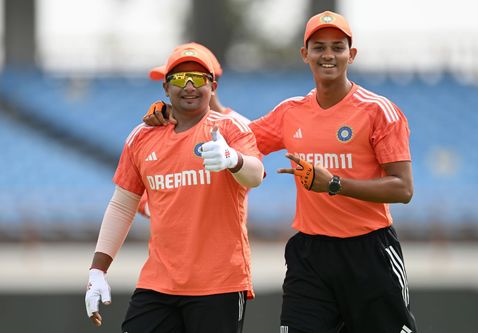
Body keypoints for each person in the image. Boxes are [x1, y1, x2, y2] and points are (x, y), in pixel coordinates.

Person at [143, 11, 417, 333]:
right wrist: (174, 113)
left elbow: (403, 189)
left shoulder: (378, 111)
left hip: (369, 252)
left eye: (337, 47)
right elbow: (237, 137)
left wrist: (334, 185)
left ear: (351, 55)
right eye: (318, 47)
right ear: (305, 55)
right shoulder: (291, 111)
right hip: (310, 255)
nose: (328, 55)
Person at [85, 44, 264, 333]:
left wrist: (233, 159)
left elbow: (255, 175)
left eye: (198, 78)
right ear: (166, 88)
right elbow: (122, 204)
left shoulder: (231, 128)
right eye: (180, 79)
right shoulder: (141, 137)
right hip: (158, 284)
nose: (190, 85)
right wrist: (97, 270)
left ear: (213, 86)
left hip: (219, 284)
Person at [138, 42, 250, 218]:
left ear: (212, 84)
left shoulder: (239, 127)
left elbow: (251, 176)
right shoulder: (167, 123)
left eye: (192, 78)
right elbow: (142, 186)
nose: (185, 87)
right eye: (176, 80)